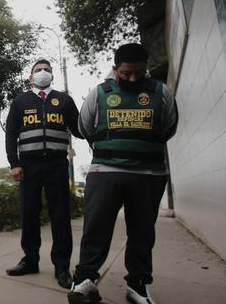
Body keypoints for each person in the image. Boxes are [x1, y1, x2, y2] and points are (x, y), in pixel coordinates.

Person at [68, 43, 178, 304]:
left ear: (146, 68)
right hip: (105, 171)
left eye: (139, 73)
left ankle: (137, 285)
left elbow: (169, 126)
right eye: (126, 73)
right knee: (95, 227)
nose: (132, 78)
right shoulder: (99, 92)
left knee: (142, 232)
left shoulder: (161, 92)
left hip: (148, 174)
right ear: (115, 68)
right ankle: (85, 279)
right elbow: (85, 127)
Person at [4, 59, 82, 289]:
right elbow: (11, 134)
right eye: (38, 70)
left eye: (47, 70)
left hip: (57, 165)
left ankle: (61, 266)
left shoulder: (64, 100)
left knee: (60, 215)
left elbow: (78, 129)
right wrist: (14, 163)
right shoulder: (20, 102)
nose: (43, 73)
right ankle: (30, 260)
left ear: (52, 76)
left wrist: (94, 116)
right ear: (30, 77)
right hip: (29, 166)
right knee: (29, 213)